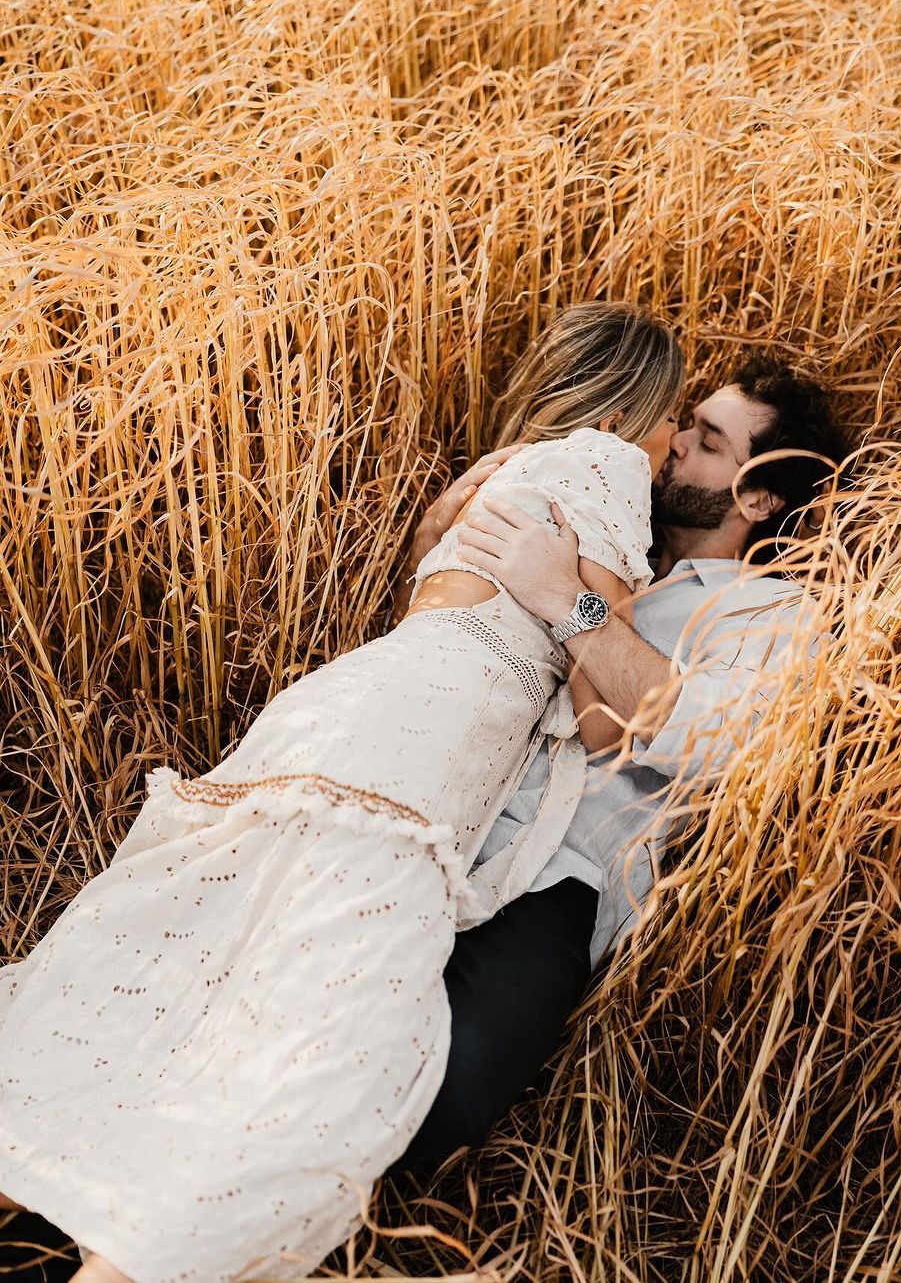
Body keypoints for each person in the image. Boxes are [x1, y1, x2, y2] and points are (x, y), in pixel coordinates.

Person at [0, 302, 685, 1283]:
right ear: (633, 409)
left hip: (329, 716)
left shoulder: (485, 478)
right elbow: (618, 720)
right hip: (416, 760)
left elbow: (436, 611)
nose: (670, 443)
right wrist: (566, 601)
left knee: (176, 968)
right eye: (673, 419)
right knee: (316, 1047)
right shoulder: (606, 466)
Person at [389, 351, 851, 1172]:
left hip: (560, 875)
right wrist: (429, 545)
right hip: (438, 802)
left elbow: (720, 741)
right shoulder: (588, 522)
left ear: (759, 496)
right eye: (687, 425)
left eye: (709, 441)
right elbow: (439, 652)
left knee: (444, 1095)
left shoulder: (774, 613)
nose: (676, 443)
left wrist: (570, 600)